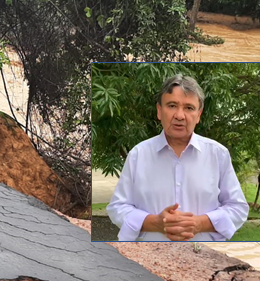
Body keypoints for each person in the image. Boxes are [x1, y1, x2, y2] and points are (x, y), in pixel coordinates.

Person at [106, 74, 249, 242]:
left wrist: (200, 223)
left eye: (189, 108)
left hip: (206, 256)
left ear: (199, 115)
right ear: (159, 111)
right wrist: (155, 223)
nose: (180, 115)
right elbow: (117, 207)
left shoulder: (218, 154)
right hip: (148, 258)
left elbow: (238, 208)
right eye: (172, 105)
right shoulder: (138, 154)